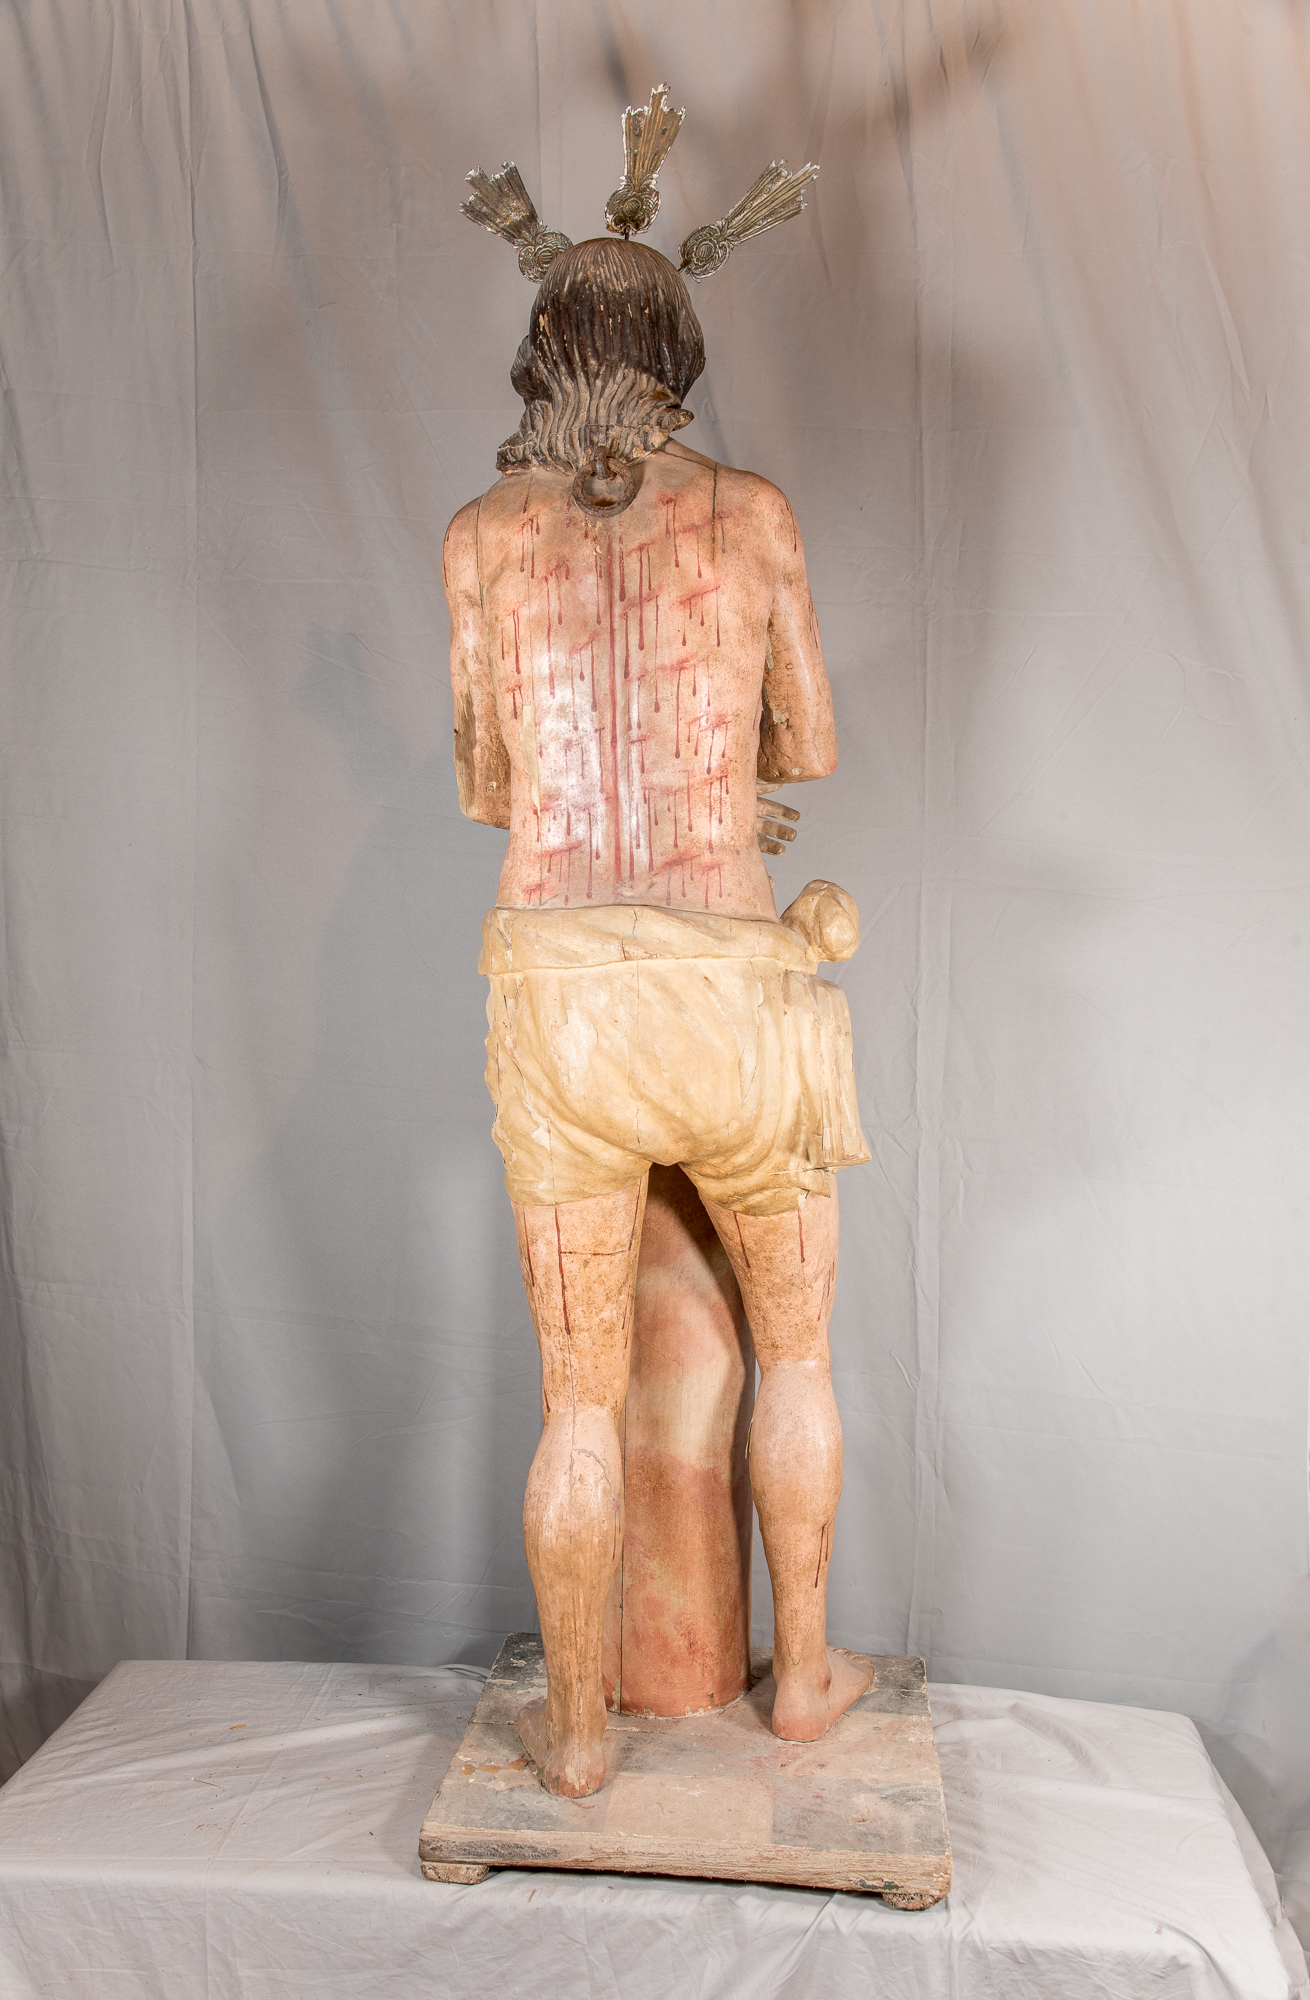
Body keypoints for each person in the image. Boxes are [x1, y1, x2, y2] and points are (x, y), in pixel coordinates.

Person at [445, 226, 871, 1800]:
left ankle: (574, 1733)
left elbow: (490, 783)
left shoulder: (483, 535)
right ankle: (803, 1675)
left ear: (540, 355)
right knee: (798, 1356)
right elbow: (807, 746)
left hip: (563, 1003)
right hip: (734, 991)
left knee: (578, 1398)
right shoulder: (753, 514)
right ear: (678, 356)